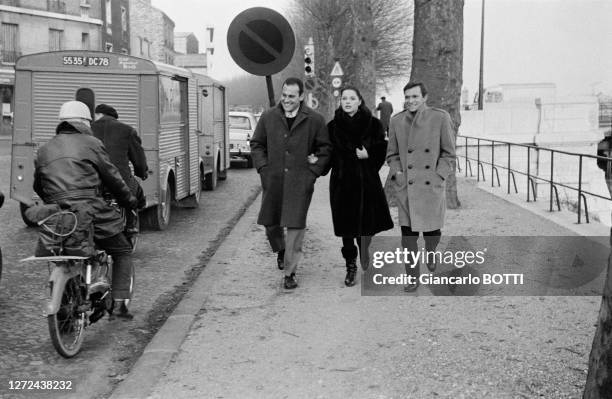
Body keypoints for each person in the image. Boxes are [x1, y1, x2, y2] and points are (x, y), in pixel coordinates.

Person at [33, 100, 139, 318]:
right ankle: (119, 304)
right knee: (122, 250)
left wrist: (55, 202)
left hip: (59, 217)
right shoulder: (91, 143)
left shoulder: (44, 149)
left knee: (64, 250)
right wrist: (129, 200)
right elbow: (112, 177)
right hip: (91, 211)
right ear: (83, 122)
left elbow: (38, 185)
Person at [250, 77, 332, 290]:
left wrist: (312, 173)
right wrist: (263, 169)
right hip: (273, 179)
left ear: (301, 97)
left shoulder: (314, 120)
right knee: (270, 222)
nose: (286, 100)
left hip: (299, 181)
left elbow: (325, 149)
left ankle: (290, 273)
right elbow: (257, 144)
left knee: (295, 227)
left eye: (291, 96)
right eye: (284, 95)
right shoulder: (268, 117)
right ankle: (280, 250)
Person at [386, 82, 456, 292]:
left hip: (430, 186)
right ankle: (412, 277)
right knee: (408, 238)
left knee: (432, 232)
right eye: (407, 97)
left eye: (415, 96)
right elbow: (392, 154)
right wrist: (398, 173)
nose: (410, 101)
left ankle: (432, 252)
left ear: (424, 97)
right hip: (407, 187)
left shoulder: (440, 117)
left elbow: (449, 154)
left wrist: (438, 176)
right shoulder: (396, 121)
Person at [328, 86, 393, 286]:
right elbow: (326, 152)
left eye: (352, 98)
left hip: (367, 181)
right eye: (344, 98)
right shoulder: (332, 126)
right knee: (346, 228)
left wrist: (369, 155)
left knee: (366, 227)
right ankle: (350, 265)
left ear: (359, 101)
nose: (347, 101)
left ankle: (364, 250)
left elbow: (383, 148)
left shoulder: (373, 124)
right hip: (342, 182)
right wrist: (314, 164)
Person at [92, 104, 148, 234]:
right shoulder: (127, 130)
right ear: (114, 117)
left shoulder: (88, 130)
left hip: (92, 178)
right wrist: (142, 172)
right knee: (135, 193)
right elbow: (138, 157)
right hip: (119, 177)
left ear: (98, 114)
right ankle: (131, 224)